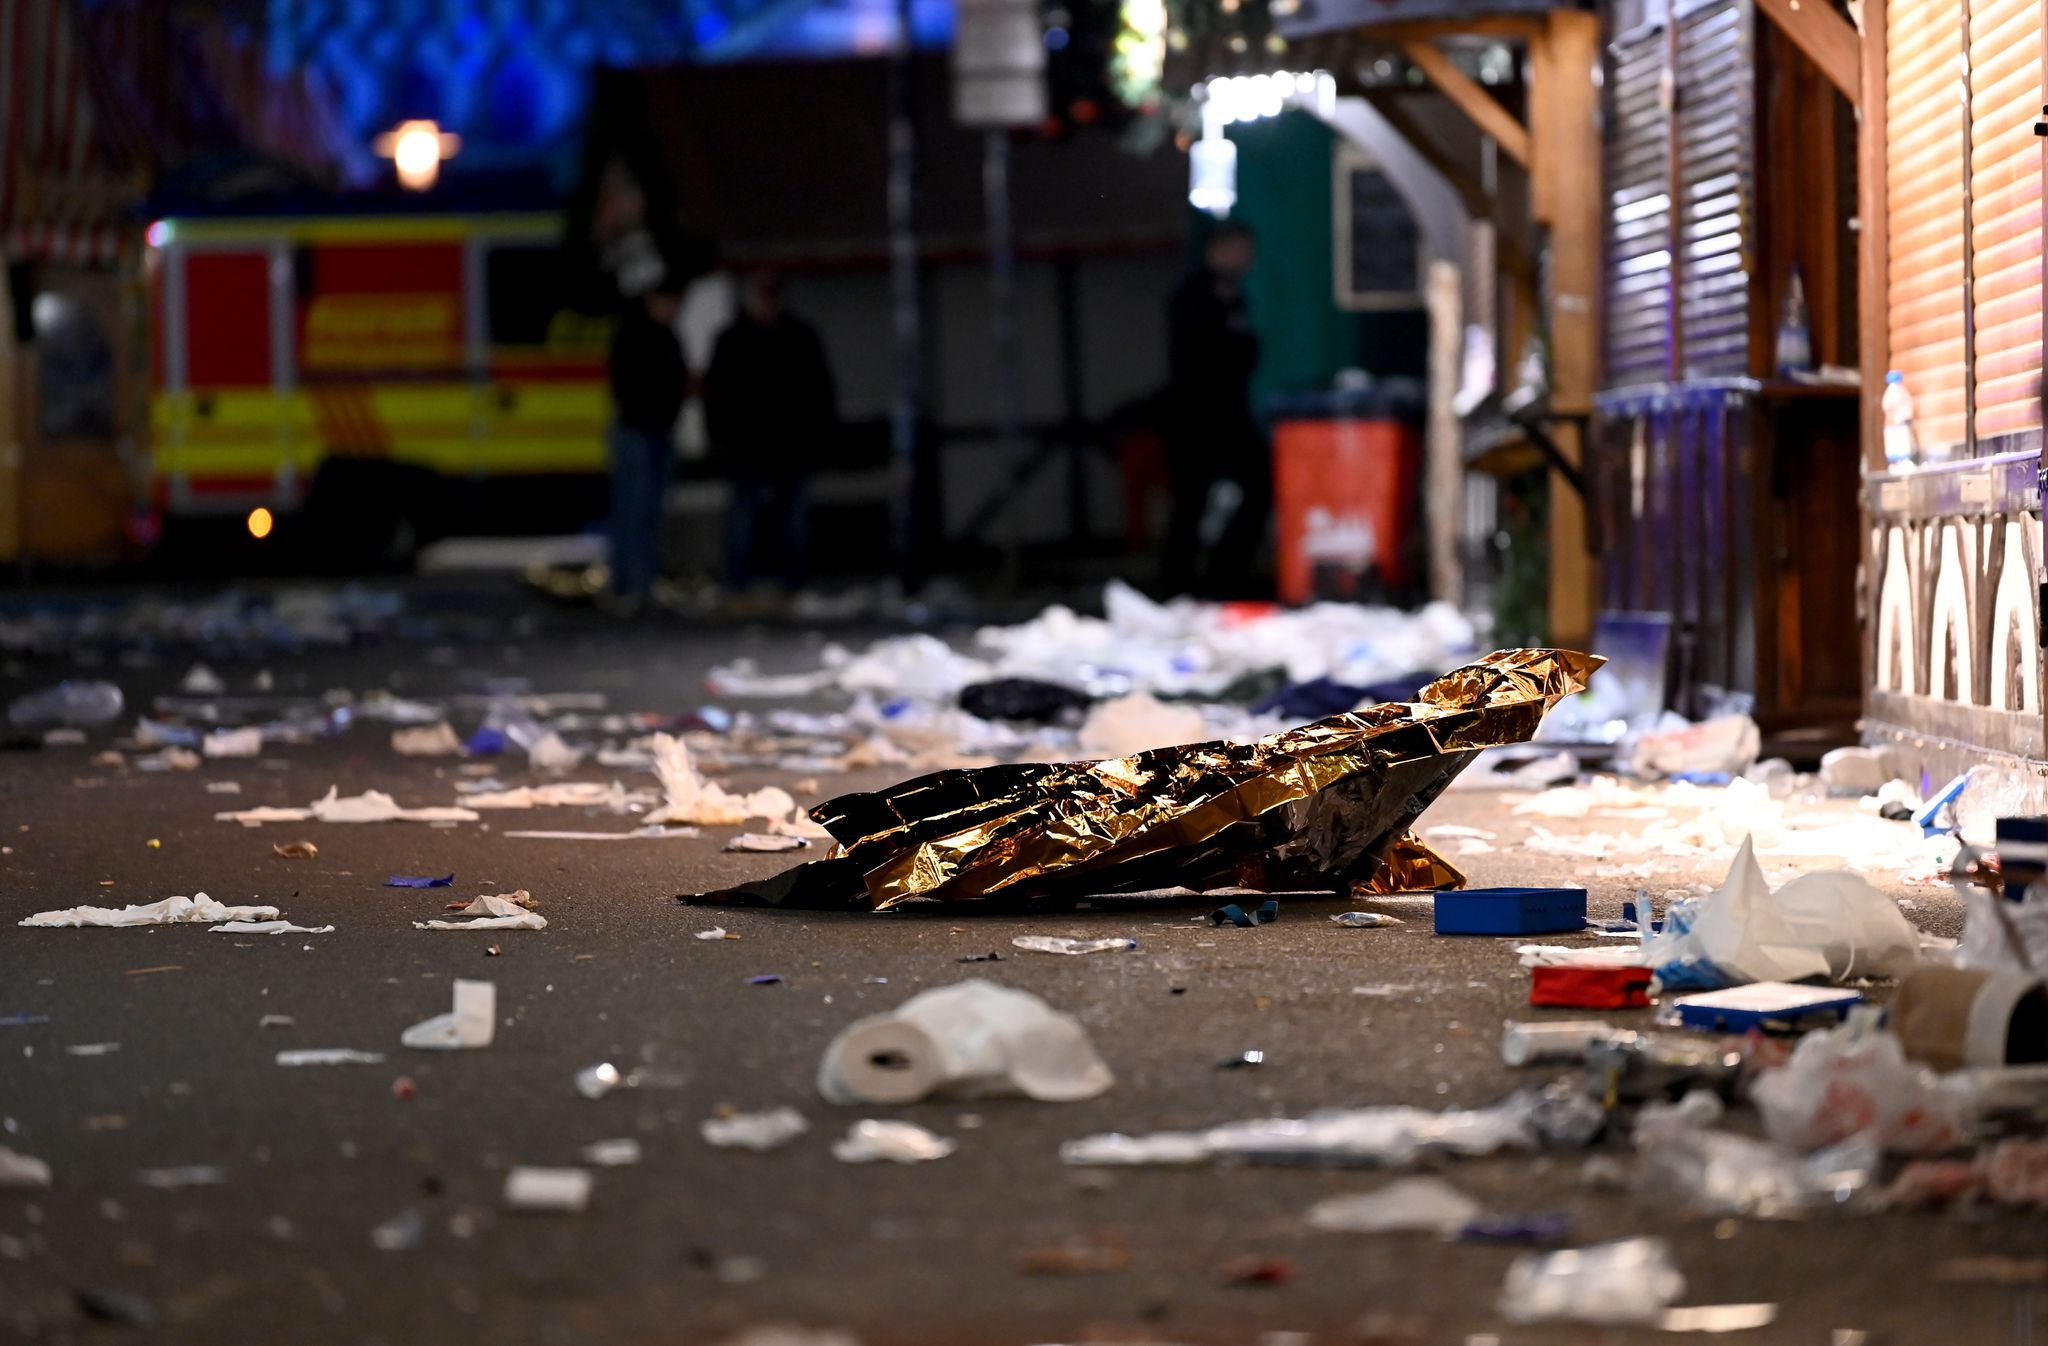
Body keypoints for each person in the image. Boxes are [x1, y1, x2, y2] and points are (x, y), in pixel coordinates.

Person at [703, 269, 837, 596]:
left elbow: (821, 391)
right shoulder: (732, 338)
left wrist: (819, 439)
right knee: (742, 522)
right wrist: (719, 442)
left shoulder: (800, 336)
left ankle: (794, 587)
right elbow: (716, 394)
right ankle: (736, 587)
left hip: (791, 447)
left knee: (793, 524)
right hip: (745, 448)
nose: (766, 304)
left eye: (771, 296)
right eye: (760, 295)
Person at [1160, 219, 1269, 596]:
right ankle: (1176, 586)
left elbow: (1245, 354)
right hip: (1195, 418)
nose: (1245, 261)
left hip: (1231, 416)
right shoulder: (1192, 297)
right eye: (1239, 251)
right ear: (1218, 250)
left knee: (1260, 485)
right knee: (1190, 503)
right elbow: (1203, 357)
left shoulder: (1235, 298)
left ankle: (1225, 575)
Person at [605, 277, 687, 611]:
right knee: (632, 513)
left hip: (658, 432)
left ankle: (640, 584)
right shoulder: (634, 334)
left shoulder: (666, 335)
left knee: (649, 514)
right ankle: (628, 586)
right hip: (636, 432)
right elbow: (627, 385)